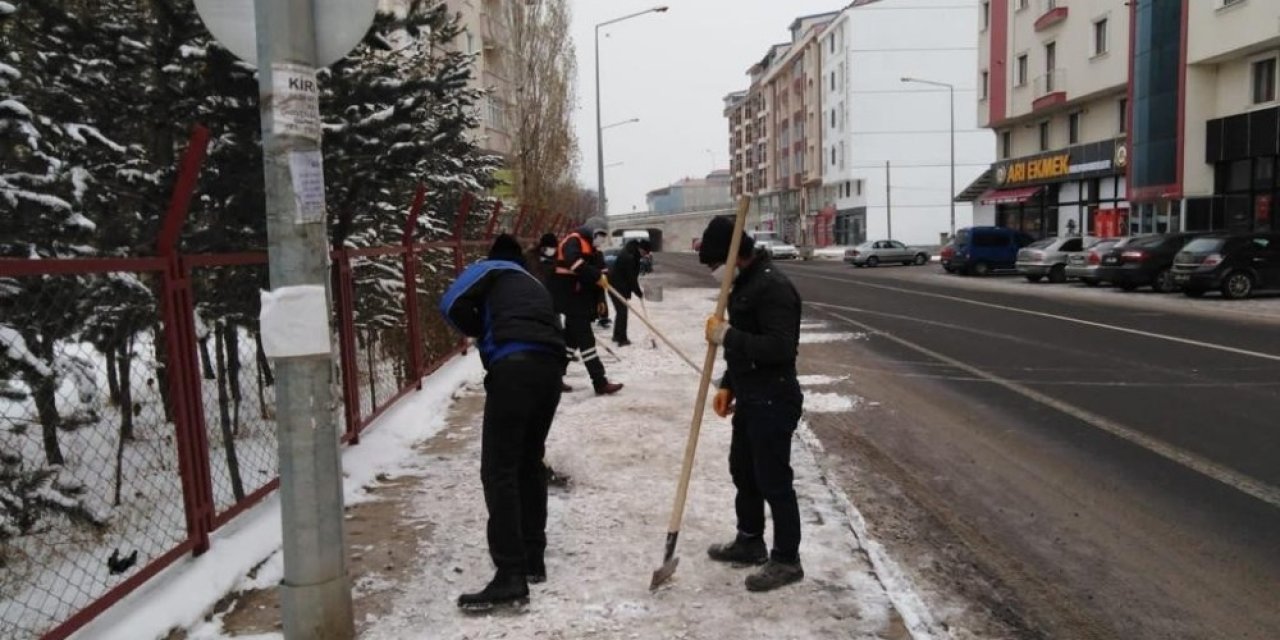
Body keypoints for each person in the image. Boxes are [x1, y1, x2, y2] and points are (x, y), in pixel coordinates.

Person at [440, 234, 566, 611]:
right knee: (530, 462)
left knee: (500, 470)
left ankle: (510, 576)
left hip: (514, 367)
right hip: (552, 369)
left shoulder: (491, 269)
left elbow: (449, 304)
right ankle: (533, 559)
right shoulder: (534, 282)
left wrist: (480, 329)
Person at [697, 216, 806, 593]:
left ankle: (787, 560)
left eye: (714, 264)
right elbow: (745, 348)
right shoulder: (743, 283)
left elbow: (779, 347)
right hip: (751, 395)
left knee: (774, 480)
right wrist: (729, 384)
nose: (713, 272)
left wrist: (728, 335)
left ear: (733, 255)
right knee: (743, 470)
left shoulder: (772, 287)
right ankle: (749, 540)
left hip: (774, 397)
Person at [550, 220, 623, 395]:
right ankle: (600, 382)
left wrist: (601, 298)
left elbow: (602, 273)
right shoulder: (573, 241)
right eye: (600, 234)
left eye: (605, 236)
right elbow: (575, 263)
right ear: (592, 231)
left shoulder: (595, 251)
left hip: (584, 301)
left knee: (570, 341)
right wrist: (597, 275)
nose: (602, 239)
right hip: (571, 299)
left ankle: (553, 377)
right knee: (587, 343)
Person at [526, 233, 574, 394]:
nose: (551, 251)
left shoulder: (557, 260)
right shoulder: (529, 260)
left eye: (554, 248)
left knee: (557, 343)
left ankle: (557, 379)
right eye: (549, 247)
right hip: (533, 308)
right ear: (542, 246)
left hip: (552, 307)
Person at [608, 239, 649, 346]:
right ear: (640, 248)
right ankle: (622, 339)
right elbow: (631, 278)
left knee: (620, 311)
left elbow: (632, 277)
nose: (644, 255)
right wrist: (638, 292)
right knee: (622, 312)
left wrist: (636, 291)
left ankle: (617, 336)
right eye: (644, 252)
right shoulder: (629, 257)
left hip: (618, 286)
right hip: (616, 287)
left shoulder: (632, 253)